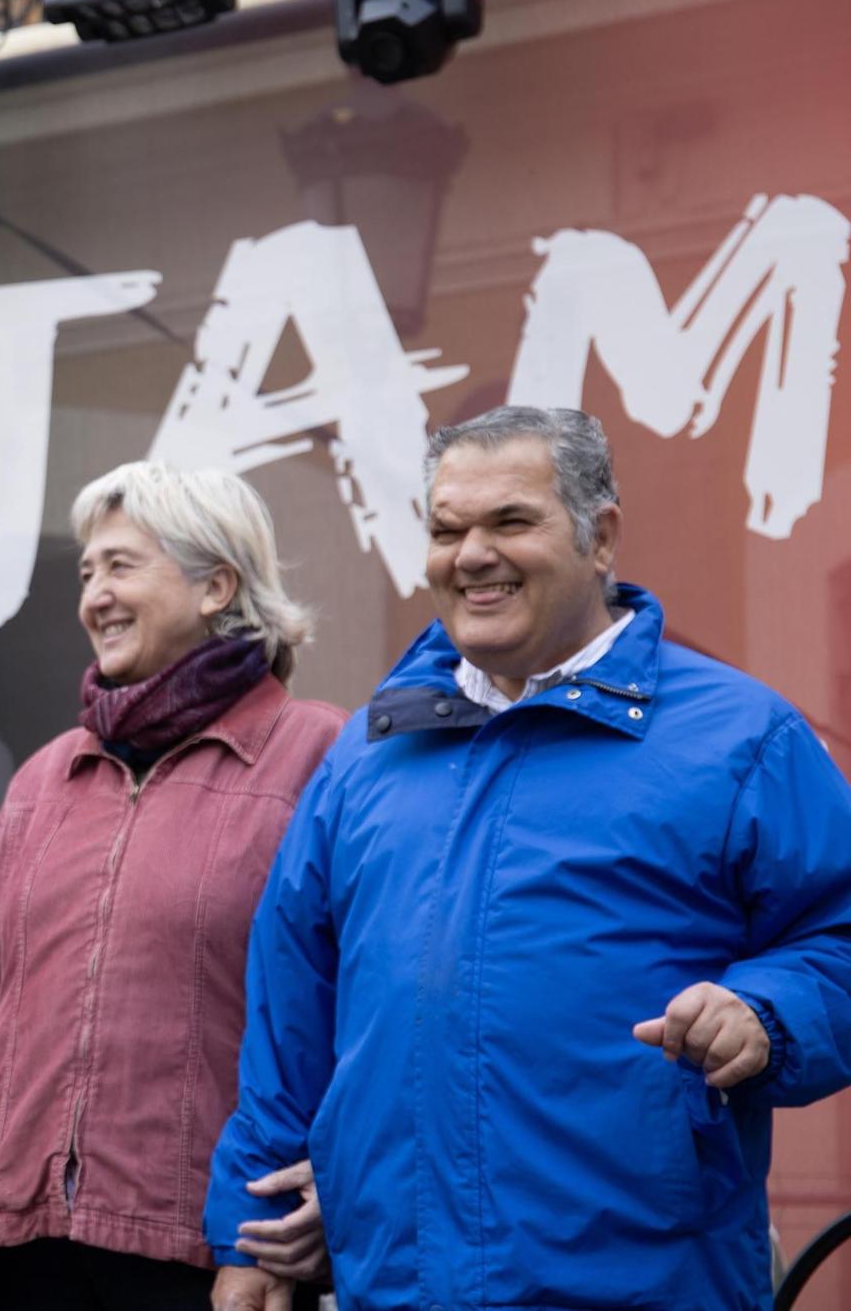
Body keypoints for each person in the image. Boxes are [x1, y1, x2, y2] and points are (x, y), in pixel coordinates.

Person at [206, 407, 851, 1311]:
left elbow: (841, 938)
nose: (471, 554)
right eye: (446, 528)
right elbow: (289, 1017)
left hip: (643, 1285)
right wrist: (251, 1232)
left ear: (602, 537)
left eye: (510, 521)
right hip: (394, 1286)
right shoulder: (365, 754)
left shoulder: (742, 737)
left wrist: (767, 1011)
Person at [0, 461, 344, 1311]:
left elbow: (366, 1010)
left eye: (121, 565)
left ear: (217, 582)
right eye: (86, 571)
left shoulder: (321, 756)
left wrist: (334, 1185)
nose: (94, 596)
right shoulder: (44, 778)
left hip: (222, 1254)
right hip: (22, 1253)